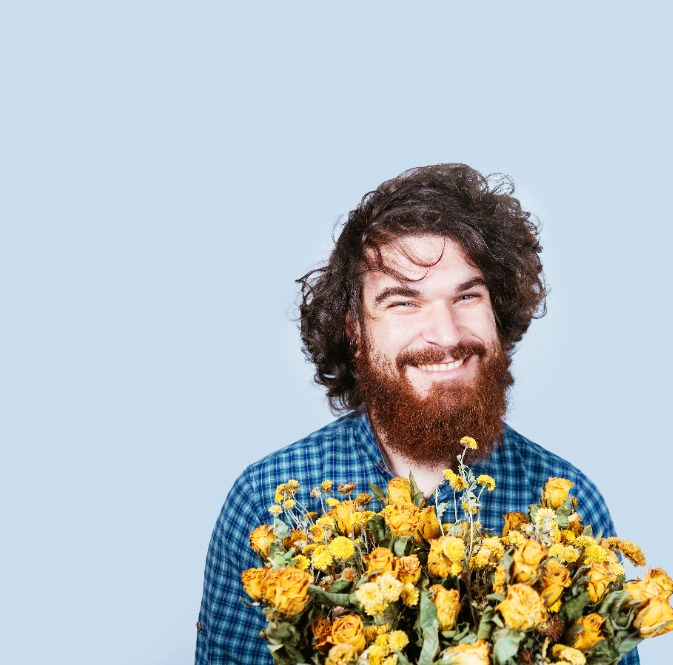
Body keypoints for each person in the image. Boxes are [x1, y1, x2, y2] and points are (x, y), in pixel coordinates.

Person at [195, 164, 640, 665]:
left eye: (467, 296)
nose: (446, 335)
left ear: (499, 312)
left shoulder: (571, 505)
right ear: (356, 331)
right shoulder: (266, 502)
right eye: (404, 302)